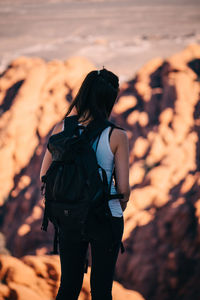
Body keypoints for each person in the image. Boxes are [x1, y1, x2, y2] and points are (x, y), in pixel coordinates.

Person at [40, 68, 130, 300]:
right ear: (110, 99)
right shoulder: (116, 135)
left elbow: (44, 175)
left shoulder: (61, 129)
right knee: (101, 290)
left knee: (68, 286)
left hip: (69, 216)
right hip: (105, 218)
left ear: (84, 94)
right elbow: (123, 190)